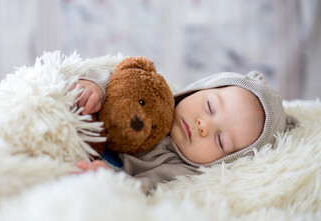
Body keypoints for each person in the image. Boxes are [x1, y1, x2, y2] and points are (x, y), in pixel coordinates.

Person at [71, 68, 298, 193]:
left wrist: (112, 180)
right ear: (199, 89)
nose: (204, 125)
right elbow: (118, 77)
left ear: (225, 161)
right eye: (209, 107)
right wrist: (95, 87)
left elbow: (145, 188)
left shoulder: (179, 171)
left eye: (220, 140)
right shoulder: (157, 94)